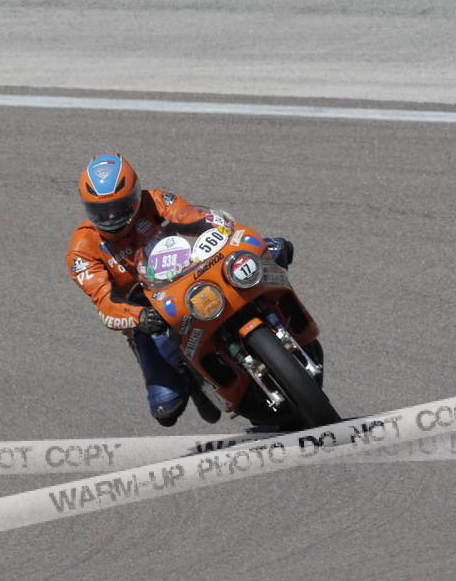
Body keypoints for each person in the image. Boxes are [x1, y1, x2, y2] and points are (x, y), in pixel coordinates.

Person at [65, 153, 295, 427]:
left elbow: (200, 220)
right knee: (166, 410)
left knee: (263, 260)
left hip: (187, 276)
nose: (112, 217)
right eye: (101, 211)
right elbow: (105, 303)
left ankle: (281, 324)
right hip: (149, 315)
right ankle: (192, 378)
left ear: (135, 195)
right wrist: (139, 317)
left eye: (120, 206)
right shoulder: (82, 251)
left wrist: (253, 242)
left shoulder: (157, 201)